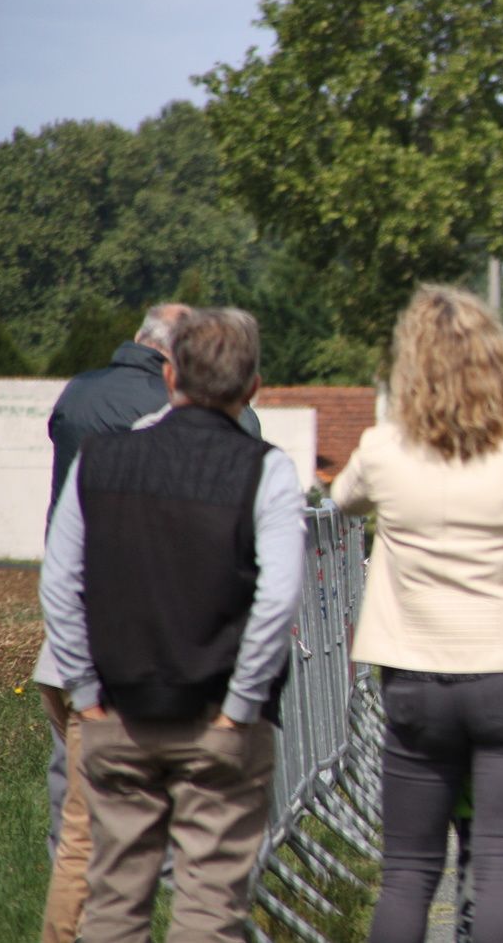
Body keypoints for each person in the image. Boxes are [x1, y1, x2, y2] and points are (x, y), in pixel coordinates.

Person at [39, 308, 304, 942]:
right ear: (254, 387)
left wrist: (86, 694)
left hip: (118, 712)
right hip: (218, 717)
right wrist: (241, 706)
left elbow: (60, 583)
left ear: (170, 373)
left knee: (112, 902)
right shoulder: (265, 469)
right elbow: (278, 598)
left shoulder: (100, 460)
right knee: (209, 909)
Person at [331, 285, 503, 942]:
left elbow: (341, 498)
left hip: (416, 674)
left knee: (408, 869)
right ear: (499, 361)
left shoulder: (384, 447)